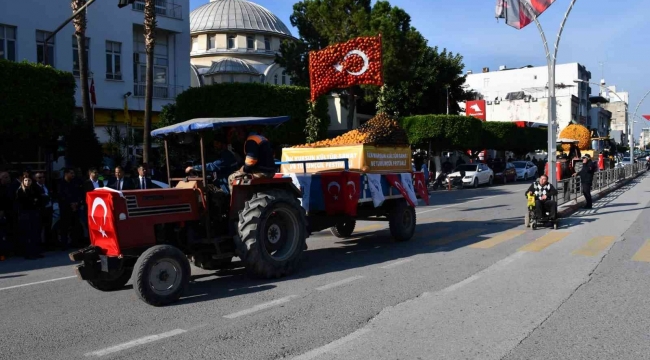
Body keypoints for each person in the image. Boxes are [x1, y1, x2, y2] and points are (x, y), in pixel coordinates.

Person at [227, 127, 276, 193]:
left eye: (239, 133)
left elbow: (251, 161)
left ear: (244, 132)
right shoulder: (260, 138)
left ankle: (237, 202)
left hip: (261, 172)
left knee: (231, 178)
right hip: (270, 171)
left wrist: (243, 169)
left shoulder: (251, 141)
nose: (238, 136)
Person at [15, 176, 43, 259]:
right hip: (25, 215)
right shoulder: (20, 191)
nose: (27, 182)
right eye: (25, 180)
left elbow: (39, 200)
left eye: (29, 180)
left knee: (35, 233)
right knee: (27, 234)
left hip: (33, 213)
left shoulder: (34, 190)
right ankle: (28, 253)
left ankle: (35, 252)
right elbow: (21, 203)